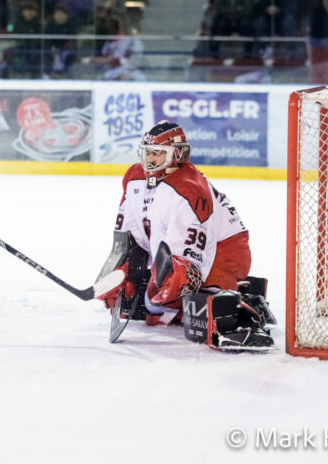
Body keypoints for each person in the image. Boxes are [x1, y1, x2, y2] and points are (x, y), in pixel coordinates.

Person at [92, 121, 274, 351]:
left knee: (196, 308)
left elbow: (189, 267)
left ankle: (246, 309)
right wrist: (124, 271)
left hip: (225, 253)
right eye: (147, 153)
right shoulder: (134, 177)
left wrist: (157, 297)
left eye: (158, 154)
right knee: (133, 298)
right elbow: (129, 236)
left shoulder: (190, 189)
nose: (150, 160)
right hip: (177, 250)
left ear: (177, 155)